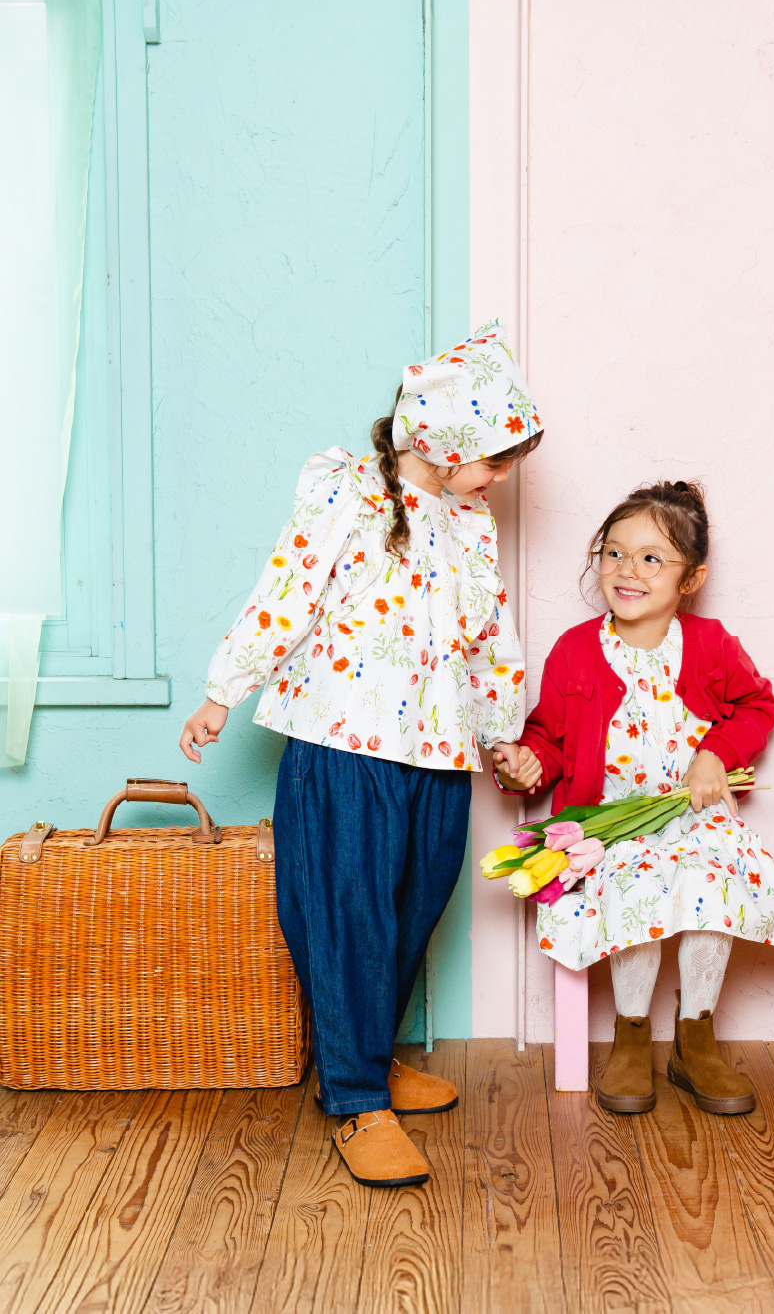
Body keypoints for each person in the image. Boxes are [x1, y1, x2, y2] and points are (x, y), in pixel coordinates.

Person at [180, 321, 542, 1187]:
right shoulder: (349, 493)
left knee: (417, 902)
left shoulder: (470, 521)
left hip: (438, 744)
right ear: (444, 438)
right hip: (345, 740)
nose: (499, 478)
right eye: (493, 460)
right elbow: (287, 590)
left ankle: (368, 1055)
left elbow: (490, 633)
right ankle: (353, 1094)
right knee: (349, 913)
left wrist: (500, 732)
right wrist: (225, 689)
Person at [494, 481, 774, 1115]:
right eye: (614, 553)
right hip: (614, 824)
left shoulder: (711, 644)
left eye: (651, 558)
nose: (627, 570)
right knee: (635, 887)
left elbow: (757, 705)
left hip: (694, 819)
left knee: (709, 880)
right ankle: (632, 1033)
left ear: (691, 578)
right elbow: (549, 738)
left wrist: (716, 753)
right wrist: (526, 766)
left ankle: (696, 1037)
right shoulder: (576, 650)